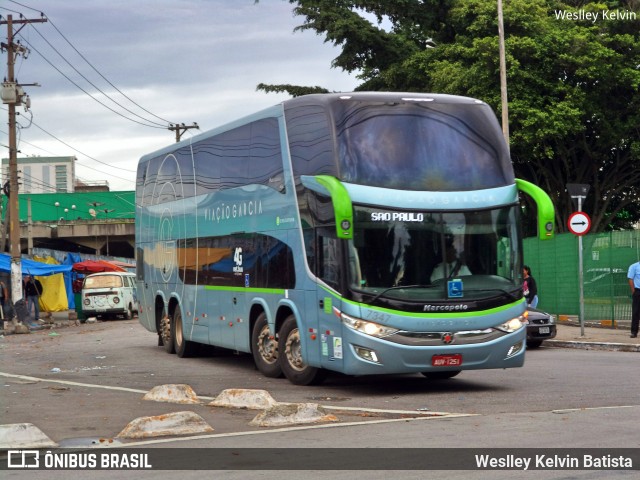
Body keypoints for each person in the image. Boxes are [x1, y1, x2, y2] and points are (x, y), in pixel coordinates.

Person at [628, 260, 640, 339]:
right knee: (636, 312)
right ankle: (634, 332)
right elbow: (630, 279)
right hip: (638, 291)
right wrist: (634, 292)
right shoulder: (634, 266)